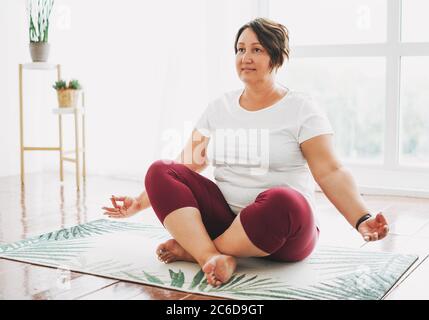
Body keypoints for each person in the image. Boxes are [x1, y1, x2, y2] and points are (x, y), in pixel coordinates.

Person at [102, 18, 389, 287]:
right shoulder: (220, 107)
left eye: (256, 49)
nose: (245, 58)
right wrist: (138, 203)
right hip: (225, 218)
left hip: (285, 231)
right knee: (160, 168)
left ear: (276, 57)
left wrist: (362, 219)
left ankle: (196, 250)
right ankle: (210, 257)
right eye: (240, 49)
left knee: (284, 199)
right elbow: (186, 164)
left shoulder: (302, 109)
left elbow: (330, 172)